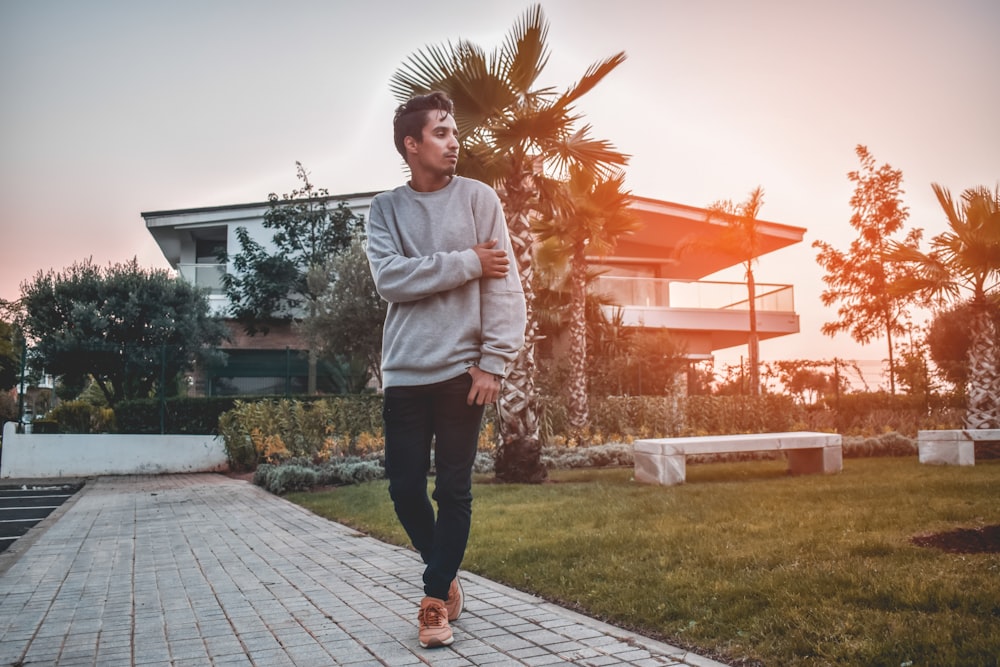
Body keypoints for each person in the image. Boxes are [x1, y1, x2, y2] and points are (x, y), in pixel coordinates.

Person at [365, 91, 527, 648]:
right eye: (440, 132)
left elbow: (504, 286)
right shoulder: (385, 210)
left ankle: (434, 601)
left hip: (465, 373)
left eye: (454, 130)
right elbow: (390, 281)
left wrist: (494, 363)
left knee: (454, 490)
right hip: (406, 372)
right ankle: (448, 572)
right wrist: (467, 262)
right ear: (412, 145)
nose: (454, 140)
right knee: (405, 488)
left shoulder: (479, 200)